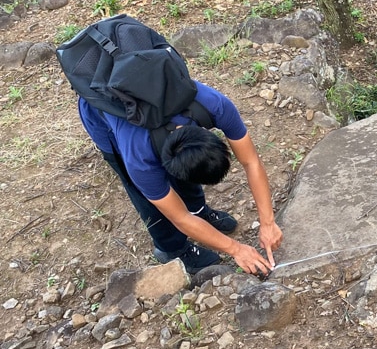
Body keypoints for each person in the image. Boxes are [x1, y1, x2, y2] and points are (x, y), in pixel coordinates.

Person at [78, 80, 282, 275]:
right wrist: (236, 249)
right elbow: (180, 217)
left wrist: (268, 222)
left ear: (204, 131)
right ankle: (171, 248)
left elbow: (251, 162)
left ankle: (199, 211)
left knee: (189, 178)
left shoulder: (213, 105)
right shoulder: (139, 159)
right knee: (146, 196)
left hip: (139, 89)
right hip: (101, 108)